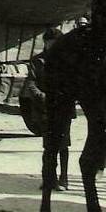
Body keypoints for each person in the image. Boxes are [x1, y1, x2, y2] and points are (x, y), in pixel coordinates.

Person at [24, 28, 72, 190]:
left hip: (64, 106)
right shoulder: (38, 61)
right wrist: (41, 96)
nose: (54, 46)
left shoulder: (68, 60)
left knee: (64, 145)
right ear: (45, 43)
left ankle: (64, 179)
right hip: (45, 109)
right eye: (51, 43)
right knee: (49, 145)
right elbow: (30, 83)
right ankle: (48, 179)